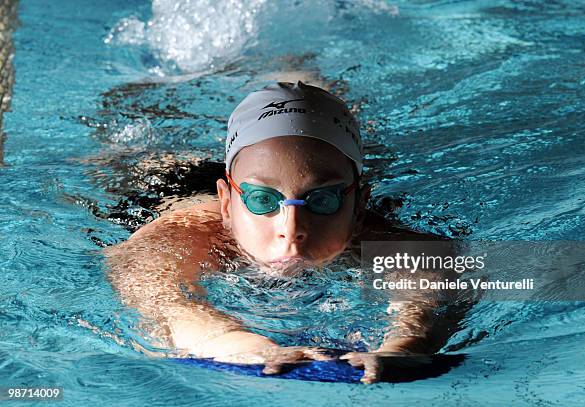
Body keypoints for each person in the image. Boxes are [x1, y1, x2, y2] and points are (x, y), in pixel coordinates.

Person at [105, 81, 448, 384]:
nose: (292, 229)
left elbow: (437, 284)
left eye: (322, 200)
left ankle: (305, 80)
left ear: (359, 207)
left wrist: (404, 345)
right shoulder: (184, 233)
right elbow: (159, 299)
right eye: (263, 202)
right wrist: (238, 344)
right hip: (171, 183)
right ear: (227, 205)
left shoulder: (383, 239)